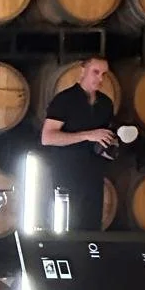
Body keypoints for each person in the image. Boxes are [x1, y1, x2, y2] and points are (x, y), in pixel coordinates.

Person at [40, 57, 115, 230]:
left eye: (104, 74)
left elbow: (103, 138)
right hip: (67, 175)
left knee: (91, 229)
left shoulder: (106, 103)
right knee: (66, 227)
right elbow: (47, 137)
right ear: (83, 71)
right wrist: (88, 135)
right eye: (95, 72)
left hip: (94, 176)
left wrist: (109, 148)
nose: (101, 79)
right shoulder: (64, 100)